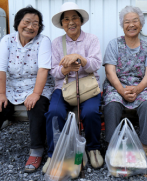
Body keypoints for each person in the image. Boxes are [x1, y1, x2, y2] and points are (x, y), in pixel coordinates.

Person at [0, 6, 54, 173]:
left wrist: (35, 93)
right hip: (13, 87)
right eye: (27, 22)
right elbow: (0, 68)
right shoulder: (7, 40)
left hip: (37, 87)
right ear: (18, 23)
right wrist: (0, 94)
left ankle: (36, 150)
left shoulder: (44, 41)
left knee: (37, 106)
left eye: (36, 23)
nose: (31, 27)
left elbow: (43, 69)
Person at [43, 2, 103, 173]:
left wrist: (79, 58)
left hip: (88, 86)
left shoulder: (92, 39)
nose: (71, 22)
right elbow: (54, 72)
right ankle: (55, 153)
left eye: (74, 18)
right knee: (54, 113)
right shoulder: (56, 43)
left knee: (90, 112)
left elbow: (96, 64)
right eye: (66, 19)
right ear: (62, 24)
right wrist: (67, 69)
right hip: (64, 87)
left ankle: (93, 148)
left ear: (81, 21)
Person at [102, 6, 147, 164]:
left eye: (135, 21)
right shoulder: (114, 44)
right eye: (127, 22)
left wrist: (138, 89)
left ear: (141, 24)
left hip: (141, 87)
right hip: (117, 86)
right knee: (111, 103)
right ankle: (113, 146)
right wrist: (121, 90)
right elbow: (110, 72)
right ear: (122, 25)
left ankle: (144, 145)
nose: (131, 25)